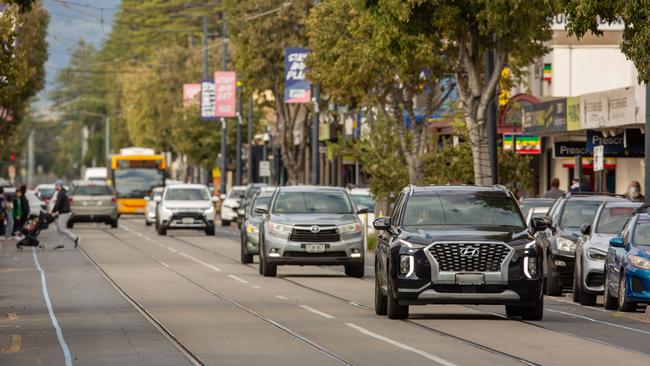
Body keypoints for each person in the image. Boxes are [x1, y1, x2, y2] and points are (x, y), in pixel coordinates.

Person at [51, 180, 79, 249]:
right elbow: (61, 203)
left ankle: (75, 238)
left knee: (61, 228)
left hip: (64, 212)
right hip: (64, 212)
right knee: (59, 228)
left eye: (56, 185)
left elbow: (58, 204)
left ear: (59, 186)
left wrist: (52, 211)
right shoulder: (63, 192)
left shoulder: (61, 193)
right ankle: (61, 243)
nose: (55, 186)